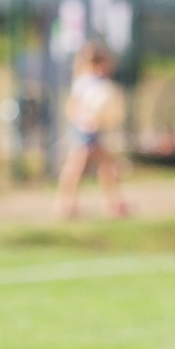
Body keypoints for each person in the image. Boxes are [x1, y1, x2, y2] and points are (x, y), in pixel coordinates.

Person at [54, 41, 129, 219]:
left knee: (105, 165)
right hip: (84, 130)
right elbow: (72, 106)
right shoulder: (85, 82)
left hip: (94, 129)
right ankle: (65, 203)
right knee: (79, 166)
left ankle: (111, 202)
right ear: (98, 63)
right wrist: (84, 120)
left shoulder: (100, 83)